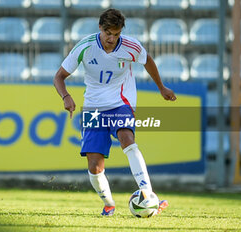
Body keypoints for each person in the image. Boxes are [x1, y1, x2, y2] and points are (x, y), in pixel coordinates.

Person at [54, 8, 176, 216]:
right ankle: (109, 203)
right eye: (108, 33)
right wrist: (66, 97)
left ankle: (147, 193)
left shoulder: (130, 46)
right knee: (95, 165)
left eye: (116, 34)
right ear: (100, 28)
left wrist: (161, 87)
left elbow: (147, 61)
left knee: (127, 138)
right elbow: (59, 77)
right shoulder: (85, 47)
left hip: (121, 101)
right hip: (93, 106)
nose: (112, 38)